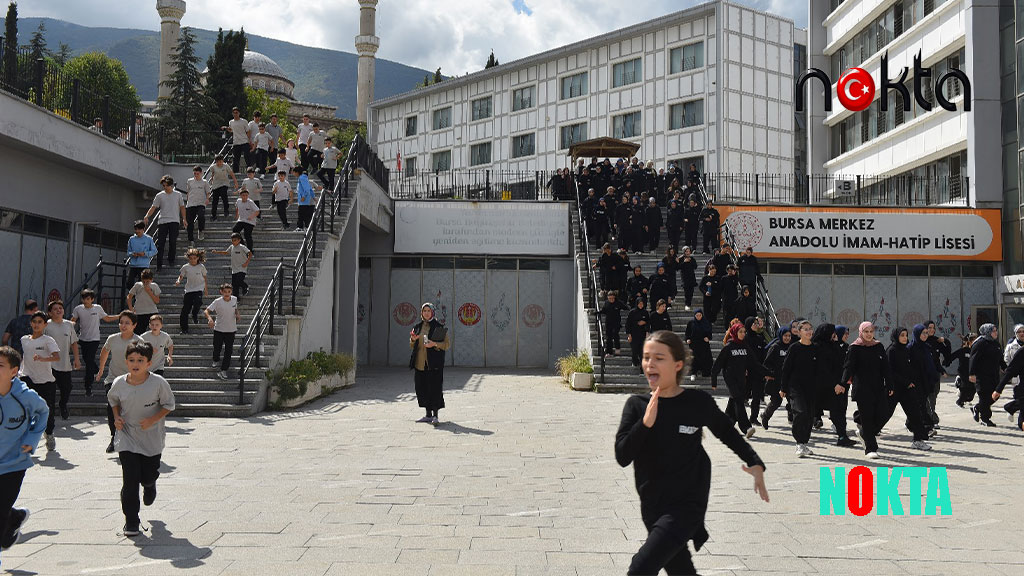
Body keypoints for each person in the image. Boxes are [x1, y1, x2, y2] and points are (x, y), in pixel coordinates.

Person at [615, 330, 768, 575]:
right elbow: (622, 456)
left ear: (677, 365)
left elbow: (726, 432)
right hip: (652, 507)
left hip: (687, 506)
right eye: (646, 357)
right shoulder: (636, 406)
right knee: (681, 571)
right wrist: (644, 424)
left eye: (659, 358)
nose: (650, 363)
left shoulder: (696, 402)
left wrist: (755, 463)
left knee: (640, 568)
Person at [107, 341, 175, 537]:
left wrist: (152, 420)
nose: (135, 364)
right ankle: (131, 521)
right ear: (126, 361)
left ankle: (150, 484)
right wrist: (117, 418)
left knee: (147, 475)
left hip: (151, 437)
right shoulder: (119, 382)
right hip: (127, 436)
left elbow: (169, 405)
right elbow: (113, 401)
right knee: (130, 479)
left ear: (148, 363)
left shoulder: (158, 383)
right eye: (131, 360)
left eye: (140, 360)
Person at [0, 346, 49, 551]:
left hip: (14, 464)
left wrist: (32, 438)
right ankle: (15, 516)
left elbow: (43, 412)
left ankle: (10, 518)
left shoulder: (26, 396)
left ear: (14, 371)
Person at [841, 322, 905, 458]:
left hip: (878, 387)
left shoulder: (878, 346)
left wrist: (890, 384)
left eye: (871, 331)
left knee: (884, 413)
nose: (869, 334)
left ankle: (865, 432)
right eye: (866, 332)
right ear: (861, 332)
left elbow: (886, 367)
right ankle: (870, 448)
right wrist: (842, 383)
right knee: (867, 418)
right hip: (862, 389)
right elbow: (848, 367)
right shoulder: (855, 347)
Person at [95, 311, 144, 454]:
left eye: (127, 323)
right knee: (112, 408)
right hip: (113, 379)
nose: (123, 325)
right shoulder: (112, 338)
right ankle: (114, 437)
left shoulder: (139, 341)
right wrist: (101, 369)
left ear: (134, 325)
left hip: (132, 381)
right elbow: (105, 352)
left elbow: (144, 361)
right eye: (121, 322)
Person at [711, 322, 767, 438]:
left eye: (744, 332)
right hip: (730, 378)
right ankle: (746, 428)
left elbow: (754, 363)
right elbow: (718, 364)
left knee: (734, 402)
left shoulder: (745, 346)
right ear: (734, 333)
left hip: (741, 378)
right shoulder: (728, 347)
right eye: (740, 332)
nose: (743, 334)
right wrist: (714, 380)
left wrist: (768, 373)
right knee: (739, 400)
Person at [18, 312, 60, 452]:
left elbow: (56, 357)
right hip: (27, 377)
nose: (36, 324)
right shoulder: (24, 340)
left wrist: (43, 359)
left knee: (47, 410)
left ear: (45, 325)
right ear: (31, 323)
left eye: (40, 322)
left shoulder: (48, 340)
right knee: (25, 409)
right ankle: (26, 438)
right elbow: (22, 356)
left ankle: (49, 433)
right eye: (34, 321)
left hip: (45, 381)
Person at [886, 327, 931, 447]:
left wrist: (911, 382)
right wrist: (905, 382)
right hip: (895, 388)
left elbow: (908, 368)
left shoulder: (905, 350)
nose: (905, 338)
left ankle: (918, 440)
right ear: (896, 336)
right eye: (902, 335)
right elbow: (890, 372)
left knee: (915, 414)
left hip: (907, 389)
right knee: (885, 414)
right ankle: (867, 433)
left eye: (906, 335)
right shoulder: (891, 350)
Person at [780, 320, 817, 457]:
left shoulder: (816, 348)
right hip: (795, 387)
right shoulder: (794, 348)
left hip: (811, 387)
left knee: (809, 416)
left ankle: (804, 443)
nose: (809, 331)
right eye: (805, 329)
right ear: (799, 332)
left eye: (810, 328)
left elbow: (820, 369)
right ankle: (799, 443)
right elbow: (786, 368)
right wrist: (783, 388)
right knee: (800, 412)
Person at [409, 303, 450, 425]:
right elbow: (412, 345)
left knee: (434, 389)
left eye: (428, 310)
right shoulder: (417, 327)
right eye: (424, 311)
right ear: (421, 313)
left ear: (432, 312)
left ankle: (435, 415)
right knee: (422, 388)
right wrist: (413, 340)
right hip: (420, 363)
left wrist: (434, 344)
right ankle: (428, 415)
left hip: (434, 364)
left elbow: (446, 344)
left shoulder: (439, 327)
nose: (426, 313)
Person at [71, 290, 117, 396]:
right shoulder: (78, 309)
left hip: (94, 339)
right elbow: (72, 321)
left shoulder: (97, 308)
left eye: (88, 299)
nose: (86, 301)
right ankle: (95, 369)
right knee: (88, 360)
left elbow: (107, 318)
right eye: (84, 299)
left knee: (89, 362)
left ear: (92, 299)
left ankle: (88, 385)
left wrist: (119, 316)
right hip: (83, 339)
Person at [45, 300, 80, 421]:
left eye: (60, 308)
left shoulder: (69, 325)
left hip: (64, 363)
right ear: (50, 313)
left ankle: (63, 404)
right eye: (55, 309)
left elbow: (74, 343)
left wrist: (77, 359)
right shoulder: (46, 325)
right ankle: (50, 412)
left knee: (67, 388)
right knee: (50, 390)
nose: (58, 310)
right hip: (49, 364)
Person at [144, 176, 187, 272]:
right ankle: (159, 264)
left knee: (172, 241)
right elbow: (153, 207)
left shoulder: (178, 195)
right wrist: (147, 216)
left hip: (174, 221)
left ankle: (171, 259)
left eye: (166, 185)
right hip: (162, 221)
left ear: (171, 185)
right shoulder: (160, 195)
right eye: (163, 185)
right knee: (160, 243)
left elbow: (182, 207)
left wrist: (184, 219)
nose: (165, 187)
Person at [907, 324, 939, 435]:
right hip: (915, 381)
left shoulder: (927, 347)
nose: (925, 335)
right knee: (920, 405)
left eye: (926, 333)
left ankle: (911, 423)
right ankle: (926, 427)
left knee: (921, 404)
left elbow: (931, 364)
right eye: (923, 333)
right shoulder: (910, 348)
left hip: (926, 381)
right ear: (917, 334)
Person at [969, 323, 1002, 427]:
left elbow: (1000, 358)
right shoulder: (980, 343)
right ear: (987, 332)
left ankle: (978, 407)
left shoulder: (996, 343)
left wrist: (1005, 368)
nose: (996, 333)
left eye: (996, 330)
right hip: (982, 376)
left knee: (995, 395)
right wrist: (971, 373)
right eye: (993, 331)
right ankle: (985, 418)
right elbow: (973, 359)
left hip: (994, 375)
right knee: (984, 396)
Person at [205, 284, 240, 381]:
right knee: (217, 347)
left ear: (231, 292)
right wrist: (210, 319)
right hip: (219, 329)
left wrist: (237, 314)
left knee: (229, 351)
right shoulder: (217, 301)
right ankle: (216, 359)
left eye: (229, 292)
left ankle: (224, 370)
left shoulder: (234, 299)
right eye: (225, 292)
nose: (227, 294)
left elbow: (235, 309)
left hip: (231, 330)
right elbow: (206, 311)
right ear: (221, 292)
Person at [760, 327, 792, 429]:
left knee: (793, 401)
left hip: (788, 379)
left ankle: (793, 419)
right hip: (776, 379)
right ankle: (765, 416)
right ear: (781, 336)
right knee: (776, 402)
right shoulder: (775, 347)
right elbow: (767, 363)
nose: (787, 338)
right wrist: (770, 374)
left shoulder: (791, 347)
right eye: (785, 336)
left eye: (789, 336)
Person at [175, 248, 208, 335]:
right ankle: (184, 329)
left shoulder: (201, 267)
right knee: (185, 310)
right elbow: (181, 276)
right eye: (191, 258)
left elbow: (205, 278)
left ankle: (194, 313)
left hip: (199, 289)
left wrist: (206, 289)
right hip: (189, 290)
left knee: (198, 302)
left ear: (198, 258)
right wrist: (178, 281)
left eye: (194, 258)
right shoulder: (185, 267)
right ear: (188, 258)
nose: (193, 260)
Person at [212, 233, 253, 300]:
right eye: (232, 240)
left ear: (239, 240)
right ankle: (236, 298)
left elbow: (250, 253)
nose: (233, 242)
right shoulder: (231, 247)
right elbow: (226, 252)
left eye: (235, 240)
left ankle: (245, 286)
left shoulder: (242, 247)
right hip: (234, 269)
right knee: (234, 285)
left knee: (239, 280)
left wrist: (246, 262)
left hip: (242, 268)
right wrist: (217, 252)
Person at [997, 345, 1024, 431]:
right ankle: (1011, 407)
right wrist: (999, 389)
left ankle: (1011, 407)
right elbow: (1011, 371)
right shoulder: (1021, 352)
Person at [126, 269, 161, 336]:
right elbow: (129, 297)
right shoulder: (137, 285)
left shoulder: (154, 286)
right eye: (144, 281)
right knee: (138, 334)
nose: (145, 283)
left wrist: (149, 291)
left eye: (147, 281)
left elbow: (157, 300)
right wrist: (131, 308)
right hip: (139, 312)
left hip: (152, 311)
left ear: (151, 280)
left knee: (154, 333)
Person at [947, 333, 977, 407]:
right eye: (973, 340)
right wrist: (946, 361)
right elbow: (953, 356)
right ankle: (960, 401)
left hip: (971, 372)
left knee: (972, 389)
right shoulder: (963, 350)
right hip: (963, 371)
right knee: (966, 386)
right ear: (969, 341)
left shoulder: (975, 350)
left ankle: (963, 394)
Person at [183, 165, 211, 243]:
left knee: (201, 216)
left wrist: (207, 199)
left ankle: (201, 230)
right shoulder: (189, 181)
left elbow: (208, 192)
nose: (196, 175)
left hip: (201, 203)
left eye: (197, 174)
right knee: (190, 222)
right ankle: (190, 239)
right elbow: (188, 192)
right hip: (191, 204)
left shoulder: (205, 182)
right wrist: (187, 201)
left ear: (201, 173)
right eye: (194, 173)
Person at [684, 309, 713, 379]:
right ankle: (693, 373)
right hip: (694, 344)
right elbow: (687, 333)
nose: (698, 317)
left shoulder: (706, 322)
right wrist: (687, 339)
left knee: (705, 359)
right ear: (694, 316)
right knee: (694, 359)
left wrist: (708, 338)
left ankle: (705, 372)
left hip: (704, 344)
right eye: (697, 315)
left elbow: (709, 333)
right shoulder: (691, 323)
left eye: (700, 315)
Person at [208, 155, 238, 221]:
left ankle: (226, 210)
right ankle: (213, 215)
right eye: (218, 162)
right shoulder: (213, 167)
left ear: (222, 161)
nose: (219, 163)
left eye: (220, 161)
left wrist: (236, 182)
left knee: (224, 195)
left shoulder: (226, 166)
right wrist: (211, 180)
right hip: (216, 184)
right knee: (215, 201)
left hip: (224, 183)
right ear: (216, 161)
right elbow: (212, 174)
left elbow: (232, 174)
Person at [224, 107, 251, 174]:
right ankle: (236, 171)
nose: (235, 114)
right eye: (234, 113)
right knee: (236, 157)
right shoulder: (231, 122)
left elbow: (248, 131)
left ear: (239, 113)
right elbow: (231, 130)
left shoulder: (244, 121)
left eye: (236, 113)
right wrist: (226, 128)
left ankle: (250, 170)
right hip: (236, 142)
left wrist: (248, 140)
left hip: (244, 141)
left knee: (247, 157)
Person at [233, 188, 260, 253]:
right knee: (235, 230)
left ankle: (250, 250)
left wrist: (251, 217)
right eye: (243, 195)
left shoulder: (250, 202)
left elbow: (257, 211)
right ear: (240, 196)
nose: (245, 197)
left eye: (246, 195)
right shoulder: (238, 201)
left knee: (247, 234)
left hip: (250, 221)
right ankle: (242, 245)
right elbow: (237, 208)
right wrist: (237, 215)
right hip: (241, 220)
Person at [293, 166, 318, 232]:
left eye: (294, 172)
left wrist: (303, 196)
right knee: (305, 214)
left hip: (303, 200)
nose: (293, 174)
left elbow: (307, 189)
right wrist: (313, 197)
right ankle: (306, 227)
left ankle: (300, 227)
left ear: (297, 172)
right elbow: (310, 189)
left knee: (301, 214)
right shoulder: (304, 178)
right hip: (305, 200)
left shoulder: (302, 178)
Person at [678, 247, 697, 311]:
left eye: (689, 251)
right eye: (686, 251)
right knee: (686, 291)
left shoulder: (692, 258)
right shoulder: (681, 258)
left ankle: (689, 303)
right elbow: (678, 267)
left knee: (691, 291)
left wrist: (690, 261)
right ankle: (687, 304)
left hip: (691, 277)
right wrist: (684, 262)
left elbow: (695, 266)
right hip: (685, 277)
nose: (688, 253)